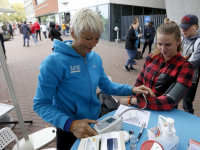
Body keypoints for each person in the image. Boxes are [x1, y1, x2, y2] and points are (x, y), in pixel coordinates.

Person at [33, 8, 154, 150]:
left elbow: (107, 86)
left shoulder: (95, 57)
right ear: (73, 33)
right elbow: (41, 104)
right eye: (88, 38)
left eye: (97, 38)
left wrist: (132, 89)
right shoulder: (53, 62)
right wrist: (70, 124)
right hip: (69, 129)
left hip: (96, 123)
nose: (93, 43)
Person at [120, 21, 194, 111]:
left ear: (178, 41)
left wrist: (131, 100)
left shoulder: (185, 67)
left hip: (162, 114)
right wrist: (133, 101)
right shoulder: (151, 57)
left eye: (168, 44)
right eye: (159, 44)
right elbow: (139, 82)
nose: (163, 48)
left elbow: (170, 101)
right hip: (140, 109)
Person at [179, 14, 200, 114]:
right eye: (182, 27)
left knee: (187, 104)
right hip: (176, 76)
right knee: (172, 100)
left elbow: (193, 63)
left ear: (195, 27)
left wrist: (177, 63)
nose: (183, 30)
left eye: (186, 28)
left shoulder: (198, 42)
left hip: (190, 79)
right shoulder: (181, 38)